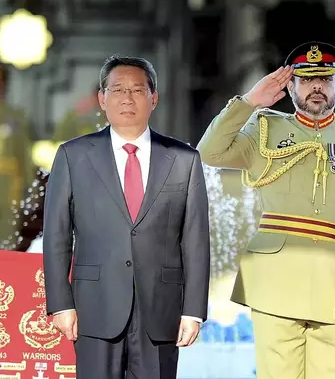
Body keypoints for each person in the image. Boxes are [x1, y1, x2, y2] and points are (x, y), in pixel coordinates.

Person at [197, 41, 335, 379]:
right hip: (276, 283)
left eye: (325, 80)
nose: (317, 87)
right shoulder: (265, 129)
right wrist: (249, 102)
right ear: (290, 86)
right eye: (307, 80)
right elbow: (209, 152)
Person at [43, 55, 211, 378]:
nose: (127, 98)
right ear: (102, 99)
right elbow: (56, 236)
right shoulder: (73, 156)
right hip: (95, 308)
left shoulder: (183, 160)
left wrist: (193, 311)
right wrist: (61, 303)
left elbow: (195, 240)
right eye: (117, 90)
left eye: (137, 90)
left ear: (154, 99)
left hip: (161, 313)